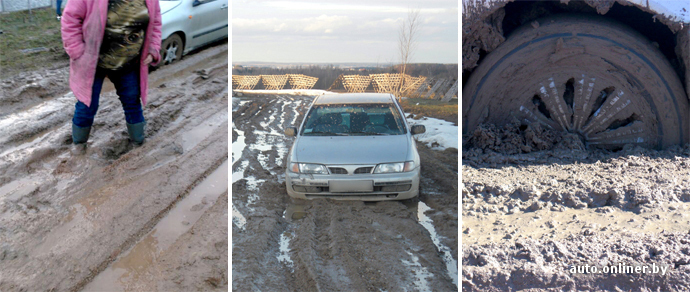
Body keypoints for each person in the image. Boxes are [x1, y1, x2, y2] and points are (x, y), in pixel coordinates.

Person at [61, 0, 162, 151]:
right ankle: (79, 147)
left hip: (128, 63)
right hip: (93, 64)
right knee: (86, 106)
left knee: (132, 102)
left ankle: (138, 145)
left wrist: (153, 48)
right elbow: (70, 20)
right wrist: (77, 51)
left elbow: (156, 23)